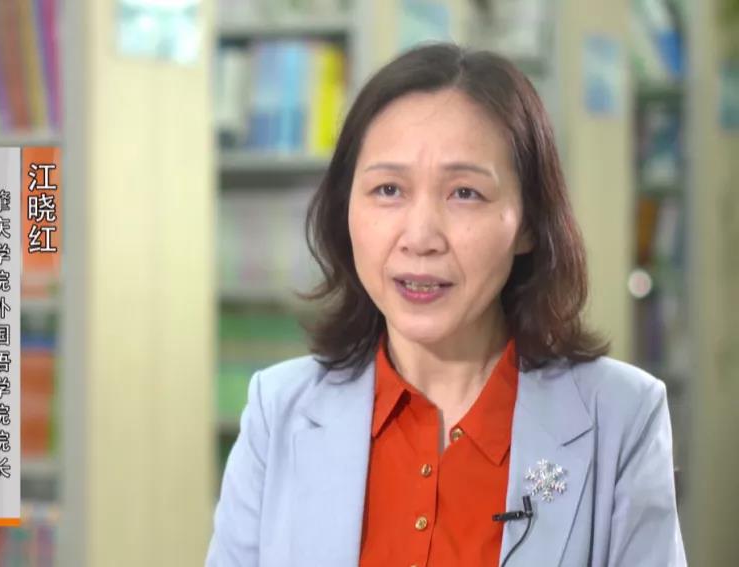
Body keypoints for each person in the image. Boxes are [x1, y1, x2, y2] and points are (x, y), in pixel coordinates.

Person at [205, 43, 687, 567]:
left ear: (528, 223)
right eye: (388, 189)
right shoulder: (277, 411)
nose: (420, 237)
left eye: (465, 194)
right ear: (345, 209)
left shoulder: (622, 416)